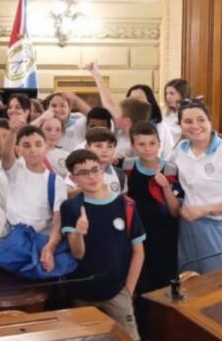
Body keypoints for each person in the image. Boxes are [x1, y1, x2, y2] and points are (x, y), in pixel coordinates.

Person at [61, 149, 145, 340]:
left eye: (95, 169)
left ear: (102, 170)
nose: (91, 176)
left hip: (117, 291)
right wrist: (78, 233)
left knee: (129, 336)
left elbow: (138, 252)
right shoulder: (71, 207)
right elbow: (78, 253)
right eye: (83, 173)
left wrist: (128, 290)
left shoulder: (126, 205)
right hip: (82, 293)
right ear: (74, 178)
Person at [124, 122, 183, 338]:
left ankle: (163, 331)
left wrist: (165, 187)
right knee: (139, 285)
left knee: (165, 284)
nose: (148, 148)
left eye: (152, 143)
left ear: (159, 143)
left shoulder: (170, 169)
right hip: (136, 236)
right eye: (141, 144)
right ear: (133, 145)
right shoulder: (127, 166)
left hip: (164, 236)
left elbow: (175, 210)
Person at [1, 120, 67, 272]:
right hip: (13, 239)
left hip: (40, 242)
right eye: (26, 145)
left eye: (38, 144)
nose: (33, 150)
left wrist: (50, 247)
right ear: (17, 149)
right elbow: (6, 157)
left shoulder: (56, 181)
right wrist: (12, 132)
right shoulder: (16, 170)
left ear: (46, 147)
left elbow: (58, 223)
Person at [169, 99, 222, 273]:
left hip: (217, 228)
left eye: (201, 120)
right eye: (188, 121)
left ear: (209, 121)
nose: (195, 126)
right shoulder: (179, 151)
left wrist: (203, 209)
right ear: (180, 125)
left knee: (214, 289)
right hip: (189, 227)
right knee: (189, 282)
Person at [66, 128, 127, 198]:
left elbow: (123, 201)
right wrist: (86, 189)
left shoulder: (120, 174)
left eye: (110, 146)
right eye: (98, 146)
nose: (105, 150)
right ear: (87, 147)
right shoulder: (78, 171)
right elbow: (64, 194)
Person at [162, 78, 190, 144]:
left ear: (182, 94)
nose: (167, 97)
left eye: (172, 93)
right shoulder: (167, 113)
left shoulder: (188, 114)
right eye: (166, 93)